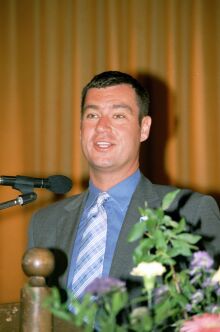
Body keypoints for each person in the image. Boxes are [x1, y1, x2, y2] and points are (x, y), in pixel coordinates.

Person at [28, 70, 220, 297]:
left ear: (144, 128)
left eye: (118, 116)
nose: (102, 127)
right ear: (81, 127)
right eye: (92, 115)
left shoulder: (190, 212)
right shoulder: (45, 223)